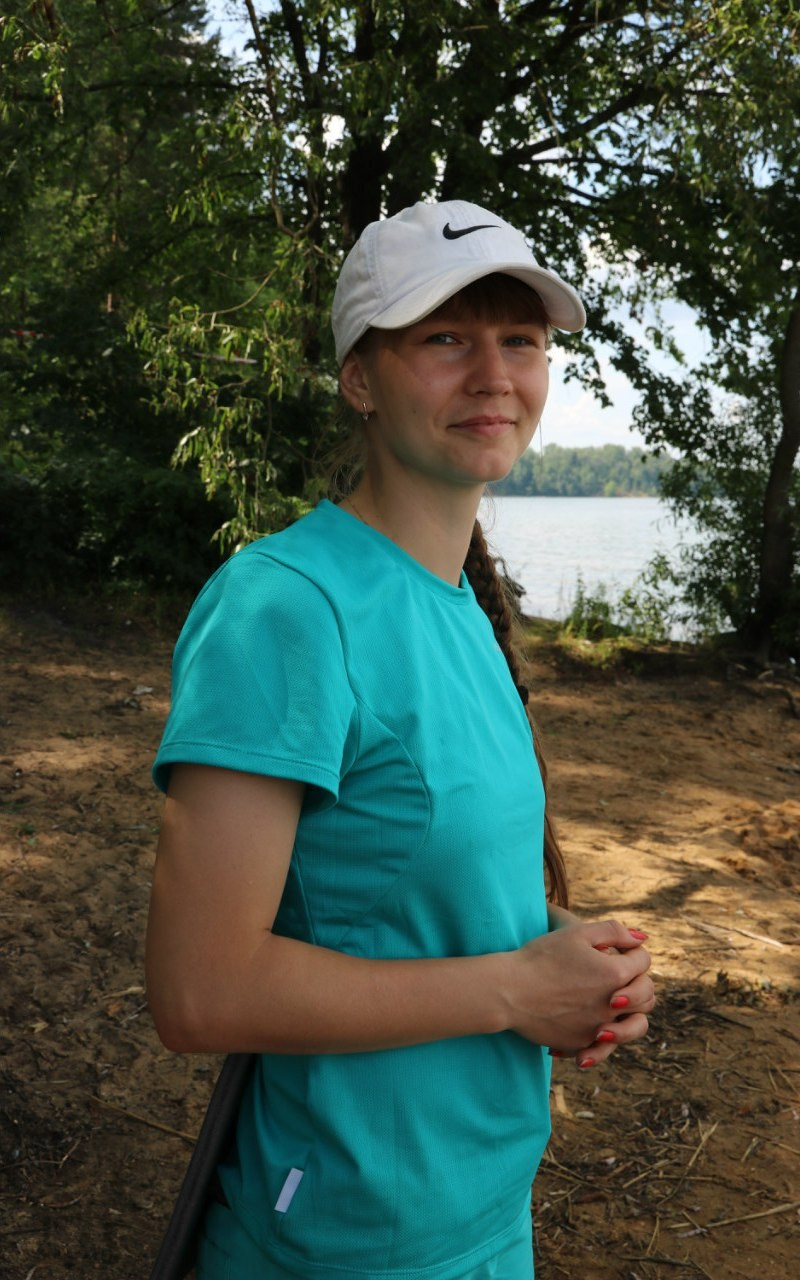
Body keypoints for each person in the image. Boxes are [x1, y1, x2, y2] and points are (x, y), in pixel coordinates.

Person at [146, 199, 655, 1280]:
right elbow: (199, 989)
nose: (493, 375)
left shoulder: (462, 605)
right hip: (343, 1236)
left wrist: (572, 956)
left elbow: (407, 893)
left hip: (484, 1210)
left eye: (519, 339)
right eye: (444, 338)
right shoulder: (283, 608)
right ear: (360, 380)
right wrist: (515, 988)